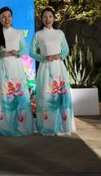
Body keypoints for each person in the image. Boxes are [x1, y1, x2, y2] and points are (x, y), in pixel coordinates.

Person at [29, 7, 75, 135]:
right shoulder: (38, 35)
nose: (47, 19)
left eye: (50, 16)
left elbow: (66, 50)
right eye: (44, 17)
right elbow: (31, 53)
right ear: (41, 19)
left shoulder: (60, 33)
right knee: (46, 96)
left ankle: (62, 126)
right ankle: (47, 126)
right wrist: (44, 57)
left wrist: (59, 56)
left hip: (58, 68)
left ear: (54, 18)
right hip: (45, 67)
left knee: (60, 95)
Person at [0, 6, 33, 136]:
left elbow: (24, 49)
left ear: (12, 17)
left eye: (9, 16)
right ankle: (4, 126)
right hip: (2, 66)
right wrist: (0, 55)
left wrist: (17, 52)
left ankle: (21, 126)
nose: (6, 19)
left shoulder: (18, 33)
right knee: (3, 94)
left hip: (16, 66)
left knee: (18, 93)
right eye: (3, 17)